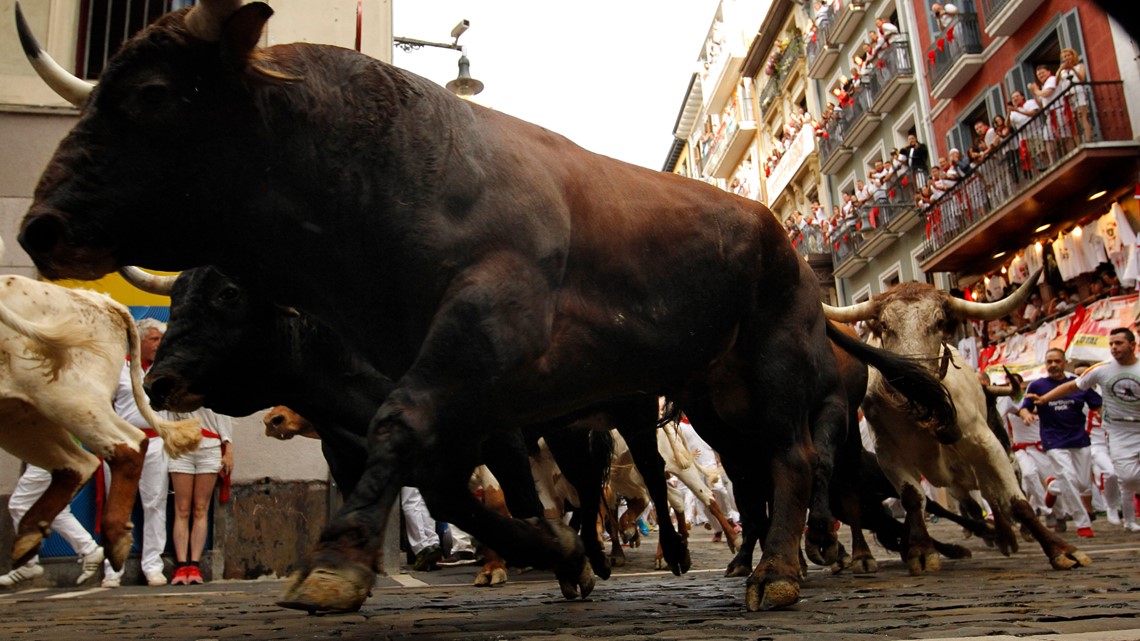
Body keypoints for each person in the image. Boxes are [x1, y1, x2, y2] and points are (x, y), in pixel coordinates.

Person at [1047, 328, 1140, 531]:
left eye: (1119, 343)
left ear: (1133, 345)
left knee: (1122, 479)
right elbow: (1072, 386)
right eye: (1111, 344)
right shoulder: (1101, 371)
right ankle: (1111, 508)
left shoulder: (1097, 394)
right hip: (1112, 435)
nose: (1114, 348)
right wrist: (1045, 399)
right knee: (1122, 476)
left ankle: (1128, 519)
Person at [103, 318, 171, 587]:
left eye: (160, 340)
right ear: (140, 341)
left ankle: (153, 566)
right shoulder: (119, 368)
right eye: (154, 339)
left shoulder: (165, 368)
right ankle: (112, 569)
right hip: (123, 445)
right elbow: (105, 404)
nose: (159, 345)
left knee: (155, 503)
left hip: (154, 442)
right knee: (118, 505)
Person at [1022, 348, 1102, 537]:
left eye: (1057, 361)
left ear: (1065, 362)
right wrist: (1026, 416)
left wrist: (1106, 416)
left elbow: (1097, 405)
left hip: (1079, 439)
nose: (1053, 365)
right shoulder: (1037, 386)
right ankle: (1083, 524)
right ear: (1045, 364)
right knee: (1069, 478)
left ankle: (1053, 487)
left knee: (1083, 484)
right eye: (1049, 362)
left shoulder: (1077, 383)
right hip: (1053, 440)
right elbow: (1025, 408)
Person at [0, 465, 105, 588]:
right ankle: (89, 549)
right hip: (56, 456)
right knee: (56, 509)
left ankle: (28, 563)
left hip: (46, 455)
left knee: (20, 505)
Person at [166, 408, 233, 584]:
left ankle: (194, 564)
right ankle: (181, 565)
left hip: (210, 447)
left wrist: (228, 449)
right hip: (182, 446)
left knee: (201, 508)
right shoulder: (177, 385)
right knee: (182, 509)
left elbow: (223, 416)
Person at [998, 375, 1058, 521]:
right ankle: (1047, 511)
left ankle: (1059, 513)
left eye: (1013, 383)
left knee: (1052, 482)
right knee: (1028, 475)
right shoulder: (1003, 402)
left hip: (1040, 445)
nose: (1009, 385)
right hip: (1020, 448)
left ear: (1021, 384)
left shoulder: (1033, 398)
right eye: (1006, 383)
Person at [1056, 48, 1093, 143]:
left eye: (1068, 55)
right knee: (1073, 120)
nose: (1067, 57)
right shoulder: (1062, 72)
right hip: (1068, 97)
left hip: (1079, 93)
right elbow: (1056, 83)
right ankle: (1079, 143)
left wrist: (1073, 69)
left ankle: (1088, 139)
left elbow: (1082, 78)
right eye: (1064, 56)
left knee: (1082, 117)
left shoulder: (1080, 66)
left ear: (1073, 56)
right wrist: (1060, 69)